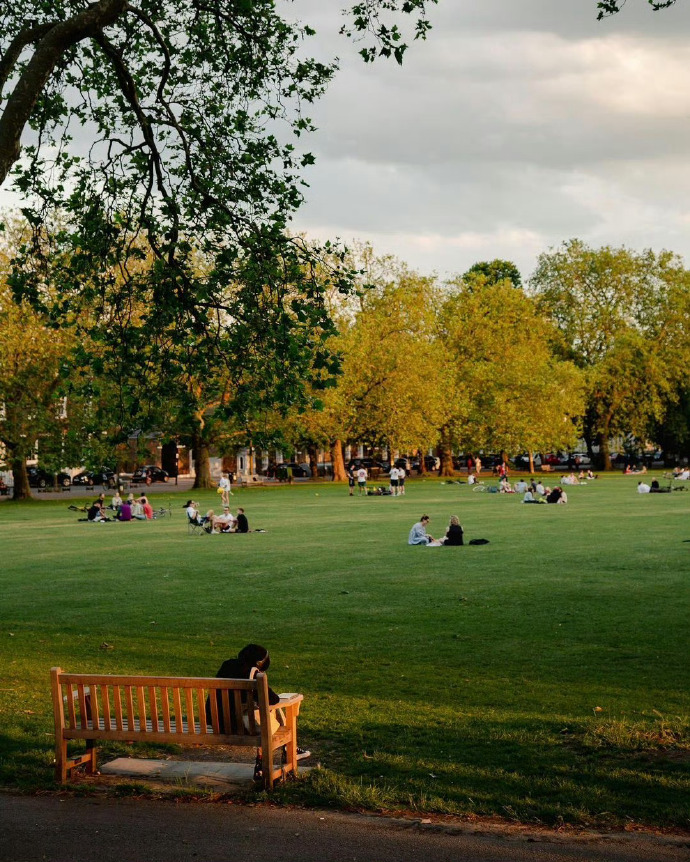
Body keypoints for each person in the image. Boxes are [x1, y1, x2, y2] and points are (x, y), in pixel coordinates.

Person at [205, 644, 310, 776]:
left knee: (258, 711)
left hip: (218, 724)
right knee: (267, 714)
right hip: (239, 728)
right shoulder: (253, 673)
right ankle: (283, 752)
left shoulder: (226, 665)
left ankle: (282, 753)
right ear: (259, 661)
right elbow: (273, 699)